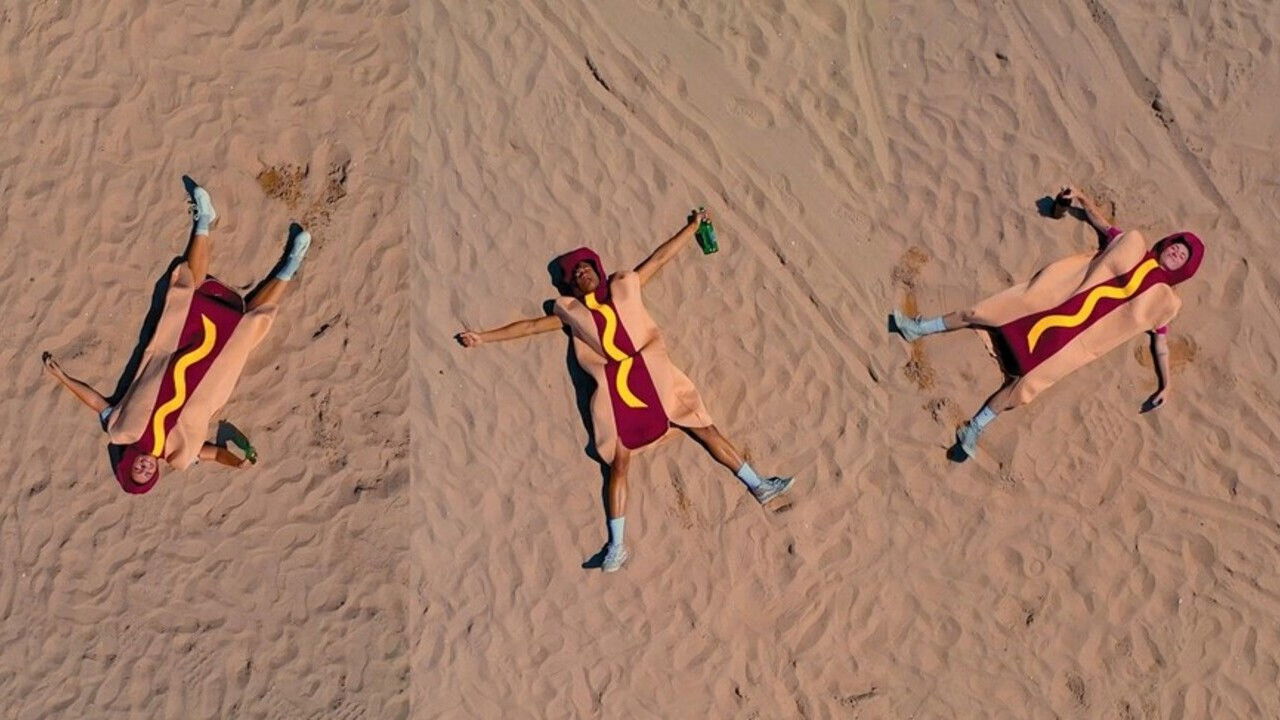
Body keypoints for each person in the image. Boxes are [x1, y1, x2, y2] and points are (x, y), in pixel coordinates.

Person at [456, 209, 795, 572]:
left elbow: (659, 259)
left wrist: (692, 228)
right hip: (617, 387)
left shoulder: (625, 286)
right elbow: (529, 327)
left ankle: (759, 485)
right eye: (576, 274)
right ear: (571, 286)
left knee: (705, 427)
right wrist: (484, 337)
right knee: (619, 462)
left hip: (655, 371)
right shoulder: (571, 312)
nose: (582, 273)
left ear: (598, 270)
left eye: (587, 267)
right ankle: (616, 546)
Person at [891, 186, 1204, 457]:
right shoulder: (1131, 244)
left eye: (1183, 257)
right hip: (1054, 300)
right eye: (1177, 247)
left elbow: (1160, 344)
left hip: (1073, 338)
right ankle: (919, 327)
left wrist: (1166, 384)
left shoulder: (1165, 302)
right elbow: (1103, 225)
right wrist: (1080, 196)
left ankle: (974, 429)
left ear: (1184, 270)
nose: (1177, 253)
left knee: (1023, 383)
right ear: (1167, 243)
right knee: (984, 312)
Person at [42, 182, 312, 493]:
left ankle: (204, 221)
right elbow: (213, 454)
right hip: (211, 373)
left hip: (174, 352)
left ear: (128, 463)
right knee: (249, 325)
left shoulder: (119, 429)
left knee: (186, 294)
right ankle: (292, 262)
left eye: (136, 470)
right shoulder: (179, 456)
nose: (144, 468)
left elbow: (95, 401)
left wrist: (63, 378)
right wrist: (237, 462)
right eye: (146, 474)